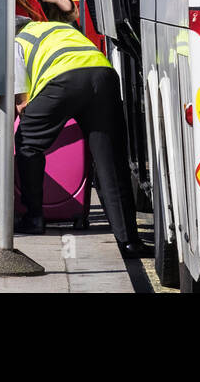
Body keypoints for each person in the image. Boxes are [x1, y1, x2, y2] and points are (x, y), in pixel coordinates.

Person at [14, 19, 149, 256]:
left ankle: (34, 217)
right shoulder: (61, 27)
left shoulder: (18, 41)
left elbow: (20, 100)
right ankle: (128, 240)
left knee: (27, 144)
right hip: (104, 76)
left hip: (62, 80)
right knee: (111, 160)